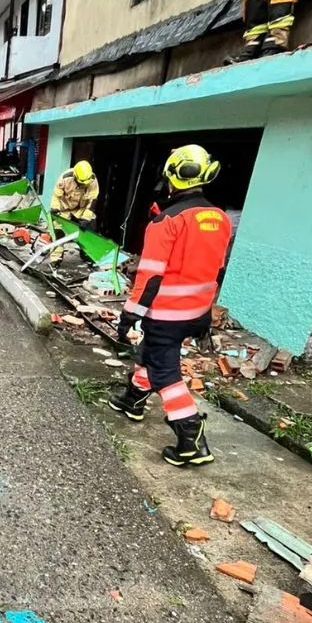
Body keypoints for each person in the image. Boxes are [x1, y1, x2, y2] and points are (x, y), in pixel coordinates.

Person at [108, 146, 235, 467]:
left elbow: (149, 278)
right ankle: (133, 400)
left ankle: (191, 437)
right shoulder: (219, 219)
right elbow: (216, 270)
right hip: (196, 313)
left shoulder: (166, 221)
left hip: (166, 314)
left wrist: (129, 314)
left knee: (165, 373)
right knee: (151, 354)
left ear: (170, 178)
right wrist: (206, 313)